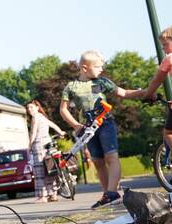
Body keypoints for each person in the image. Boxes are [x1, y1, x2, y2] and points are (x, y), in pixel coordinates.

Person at [59, 50, 149, 209]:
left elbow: (124, 92)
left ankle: (112, 192)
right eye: (98, 66)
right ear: (84, 68)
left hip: (106, 123)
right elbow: (63, 110)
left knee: (111, 157)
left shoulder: (103, 82)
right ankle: (108, 195)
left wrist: (147, 92)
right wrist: (76, 125)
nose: (102, 69)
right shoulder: (71, 87)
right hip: (87, 129)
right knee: (98, 161)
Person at [138, 26, 172, 155]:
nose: (163, 48)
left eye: (165, 44)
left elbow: (156, 81)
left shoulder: (169, 58)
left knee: (168, 132)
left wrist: (147, 95)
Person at [26, 100, 65, 203]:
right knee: (49, 170)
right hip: (48, 145)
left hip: (39, 145)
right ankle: (53, 194)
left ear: (37, 107)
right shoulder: (42, 117)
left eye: (31, 107)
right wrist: (60, 132)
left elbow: (33, 132)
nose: (29, 110)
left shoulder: (35, 117)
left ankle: (42, 196)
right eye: (28, 108)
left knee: (39, 171)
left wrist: (30, 145)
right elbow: (53, 125)